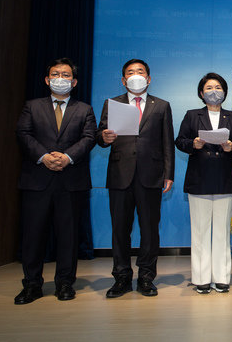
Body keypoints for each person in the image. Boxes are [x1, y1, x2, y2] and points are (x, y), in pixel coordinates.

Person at [15, 58, 97, 304]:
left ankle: (64, 283)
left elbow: (89, 137)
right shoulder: (32, 106)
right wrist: (43, 156)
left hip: (70, 181)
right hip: (37, 179)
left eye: (65, 75)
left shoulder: (84, 109)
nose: (60, 78)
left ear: (74, 82)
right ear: (47, 79)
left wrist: (68, 157)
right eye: (55, 74)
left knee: (68, 236)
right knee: (33, 235)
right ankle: (31, 285)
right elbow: (23, 133)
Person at [97, 59, 175, 298]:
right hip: (120, 175)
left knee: (150, 230)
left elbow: (167, 142)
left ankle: (146, 277)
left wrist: (168, 174)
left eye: (140, 72)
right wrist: (105, 137)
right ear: (123, 80)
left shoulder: (161, 105)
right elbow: (100, 137)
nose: (136, 75)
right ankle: (121, 277)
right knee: (120, 229)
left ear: (149, 78)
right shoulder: (112, 104)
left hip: (151, 176)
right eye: (130, 73)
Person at [175, 73, 232, 294]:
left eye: (219, 87)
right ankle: (201, 278)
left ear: (224, 91)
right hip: (199, 178)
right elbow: (180, 141)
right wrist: (193, 143)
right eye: (209, 87)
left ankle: (222, 277)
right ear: (201, 93)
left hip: (224, 178)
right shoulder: (192, 115)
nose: (215, 91)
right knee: (200, 231)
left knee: (222, 230)